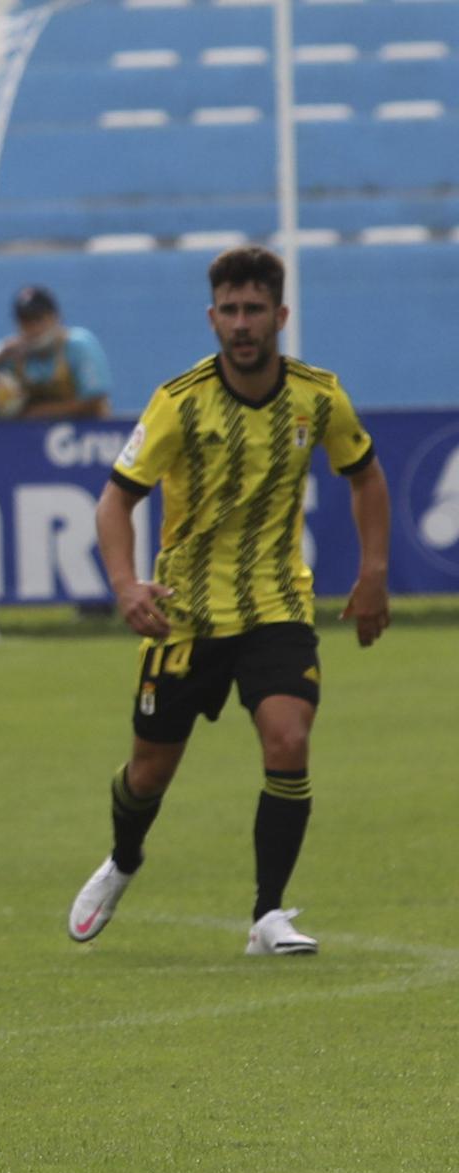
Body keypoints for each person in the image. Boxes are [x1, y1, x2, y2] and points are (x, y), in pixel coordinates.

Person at [67, 246, 391, 956]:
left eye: (255, 310)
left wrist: (373, 572)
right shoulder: (179, 402)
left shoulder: (318, 396)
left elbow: (365, 476)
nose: (242, 324)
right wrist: (126, 587)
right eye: (230, 311)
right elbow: (114, 504)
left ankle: (268, 914)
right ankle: (124, 859)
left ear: (279, 314)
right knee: (149, 772)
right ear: (212, 317)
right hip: (184, 615)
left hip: (277, 605)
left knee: (289, 739)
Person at [0, 285, 112, 421]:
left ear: (55, 317)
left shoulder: (78, 344)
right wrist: (1, 353)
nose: (33, 329)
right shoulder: (13, 351)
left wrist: (36, 413)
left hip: (86, 437)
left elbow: (95, 399)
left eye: (38, 319)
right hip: (28, 437)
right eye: (25, 322)